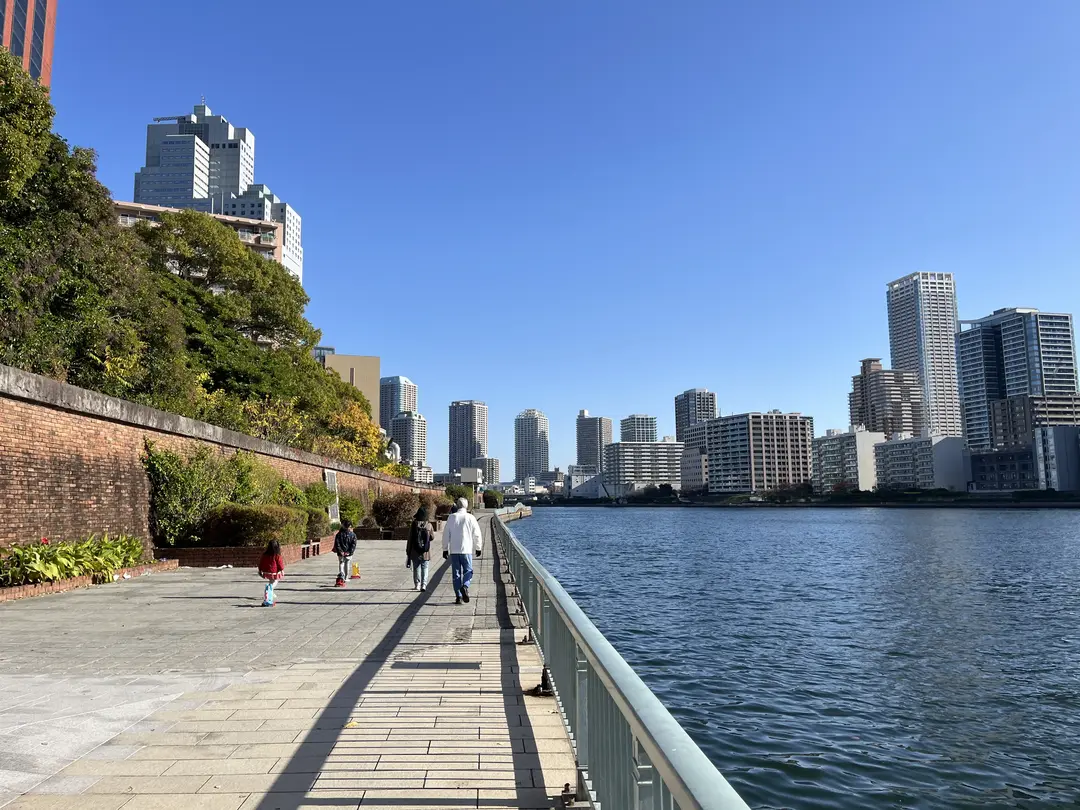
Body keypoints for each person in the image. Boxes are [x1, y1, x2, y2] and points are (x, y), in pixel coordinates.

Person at [442, 497, 482, 604]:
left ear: (457, 505)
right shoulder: (470, 517)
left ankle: (458, 596)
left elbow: (446, 534)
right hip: (466, 549)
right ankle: (465, 586)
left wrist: (445, 549)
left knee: (456, 574)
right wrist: (478, 547)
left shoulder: (451, 517)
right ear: (466, 506)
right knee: (468, 571)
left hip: (454, 550)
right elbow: (477, 534)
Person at [406, 507, 434, 592]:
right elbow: (432, 537)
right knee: (425, 567)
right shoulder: (429, 525)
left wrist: (408, 551)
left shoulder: (414, 524)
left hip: (415, 551)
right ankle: (424, 585)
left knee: (416, 567)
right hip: (425, 551)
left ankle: (417, 584)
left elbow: (410, 538)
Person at [258, 540, 285, 607]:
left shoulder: (265, 555)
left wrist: (260, 569)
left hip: (266, 571)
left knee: (271, 581)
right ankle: (269, 589)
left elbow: (261, 562)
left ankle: (271, 592)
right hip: (274, 571)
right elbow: (280, 564)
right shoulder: (277, 555)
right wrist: (282, 570)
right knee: (275, 581)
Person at [333, 519, 358, 587]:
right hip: (348, 553)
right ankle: (346, 577)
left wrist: (341, 551)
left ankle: (341, 576)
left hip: (340, 553)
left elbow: (337, 544)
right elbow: (353, 544)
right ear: (350, 526)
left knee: (341, 564)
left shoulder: (339, 534)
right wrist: (349, 552)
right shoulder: (353, 535)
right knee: (347, 564)